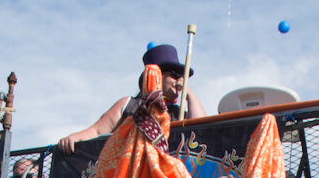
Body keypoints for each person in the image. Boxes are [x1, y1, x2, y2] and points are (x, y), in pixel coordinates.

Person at [56, 45, 209, 153]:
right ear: (157, 75)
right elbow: (97, 131)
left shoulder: (177, 112)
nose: (179, 81)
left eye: (182, 77)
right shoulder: (129, 105)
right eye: (174, 75)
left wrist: (188, 93)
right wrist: (74, 138)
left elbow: (204, 131)